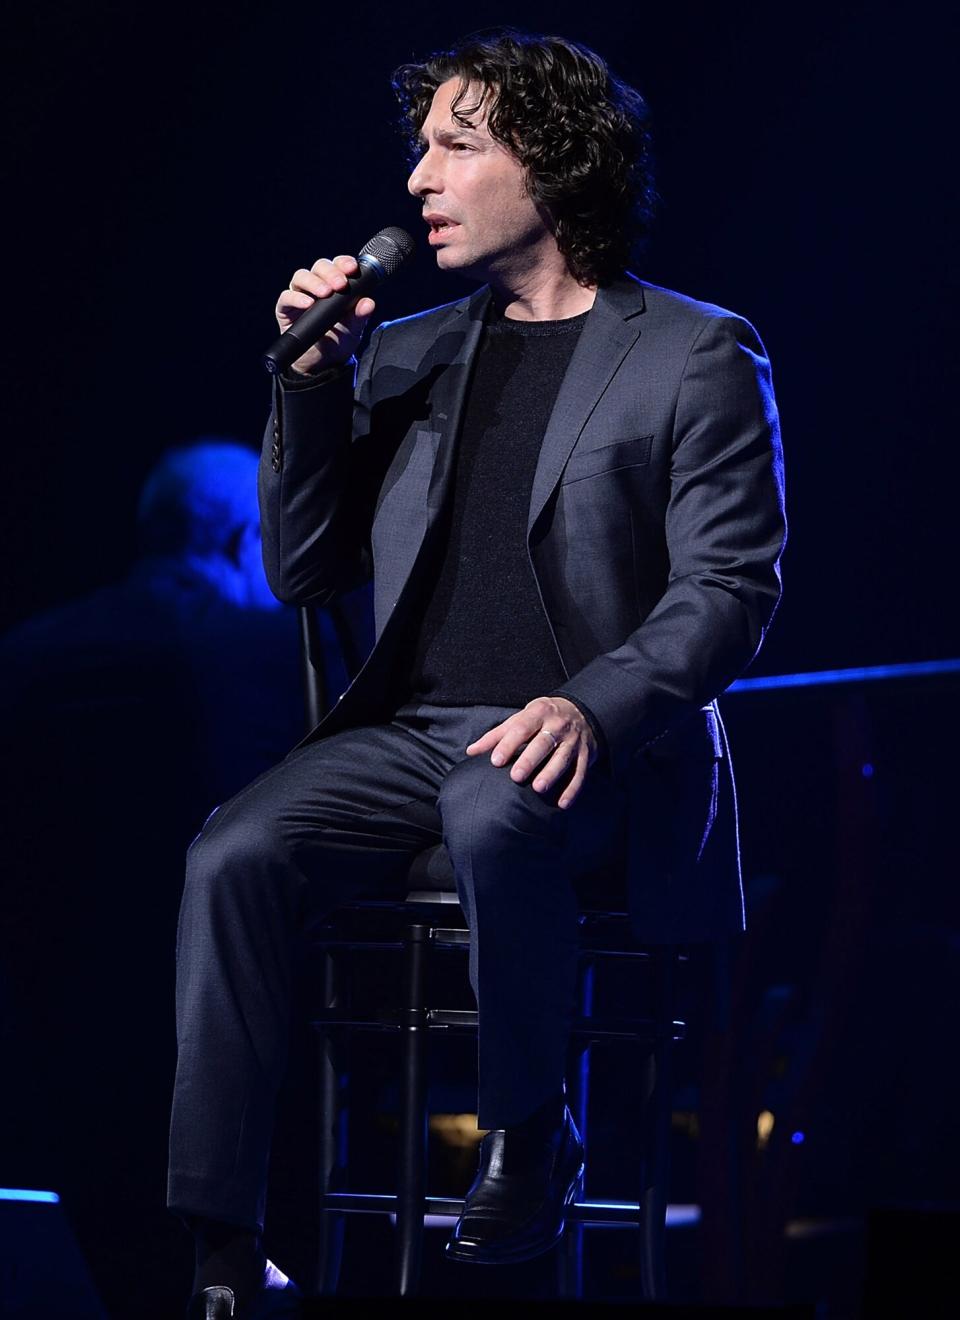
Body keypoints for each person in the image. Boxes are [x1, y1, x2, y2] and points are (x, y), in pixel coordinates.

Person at [168, 28, 786, 1318]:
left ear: (549, 166)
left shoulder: (695, 354)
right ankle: (223, 1238)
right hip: (414, 736)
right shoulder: (412, 349)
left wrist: (592, 706)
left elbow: (729, 590)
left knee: (492, 805)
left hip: (598, 752)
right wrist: (307, 391)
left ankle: (529, 1131)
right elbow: (302, 569)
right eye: (422, 145)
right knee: (231, 853)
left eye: (457, 145)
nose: (419, 180)